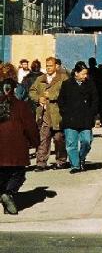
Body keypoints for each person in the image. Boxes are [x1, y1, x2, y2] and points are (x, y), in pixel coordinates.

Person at [0, 77, 40, 215]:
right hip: (16, 147)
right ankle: (8, 193)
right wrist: (35, 142)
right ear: (14, 89)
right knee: (18, 174)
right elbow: (30, 127)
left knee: (2, 175)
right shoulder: (21, 106)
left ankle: (5, 198)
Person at [58, 61, 99, 174]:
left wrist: (93, 114)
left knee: (87, 141)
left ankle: (81, 158)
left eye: (86, 74)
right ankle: (75, 165)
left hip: (85, 119)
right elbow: (61, 101)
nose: (85, 76)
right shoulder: (67, 84)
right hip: (70, 119)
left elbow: (95, 100)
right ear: (76, 73)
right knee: (71, 144)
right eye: (83, 74)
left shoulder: (90, 84)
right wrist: (65, 113)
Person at [29, 56, 69, 171]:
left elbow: (66, 93)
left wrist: (50, 96)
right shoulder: (40, 79)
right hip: (44, 113)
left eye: (50, 66)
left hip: (57, 113)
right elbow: (32, 91)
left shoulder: (63, 78)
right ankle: (41, 163)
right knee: (44, 138)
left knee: (59, 138)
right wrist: (38, 98)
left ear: (56, 66)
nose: (48, 68)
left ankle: (61, 161)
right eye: (47, 66)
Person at [88, 57, 102, 127]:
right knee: (99, 108)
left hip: (91, 94)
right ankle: (99, 120)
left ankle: (93, 121)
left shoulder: (87, 72)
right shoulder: (99, 73)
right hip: (99, 93)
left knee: (92, 107)